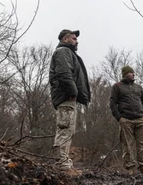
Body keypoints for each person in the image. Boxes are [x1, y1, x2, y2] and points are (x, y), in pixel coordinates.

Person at [49, 29, 90, 176]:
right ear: (65, 39)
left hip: (68, 98)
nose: (77, 41)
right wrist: (73, 92)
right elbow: (64, 73)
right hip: (66, 97)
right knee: (65, 130)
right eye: (74, 38)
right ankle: (63, 167)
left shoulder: (68, 53)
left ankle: (65, 164)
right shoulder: (62, 52)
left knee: (68, 130)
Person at [109, 66, 143, 175]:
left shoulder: (138, 87)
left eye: (133, 72)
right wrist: (119, 118)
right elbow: (113, 103)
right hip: (126, 120)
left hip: (141, 119)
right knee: (128, 145)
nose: (133, 74)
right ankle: (130, 169)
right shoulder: (117, 87)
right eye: (131, 72)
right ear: (125, 74)